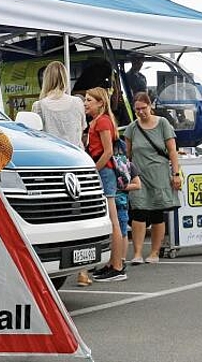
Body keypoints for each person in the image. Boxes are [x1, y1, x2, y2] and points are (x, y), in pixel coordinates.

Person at [31, 61, 91, 287]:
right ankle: (83, 270)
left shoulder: (40, 106)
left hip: (51, 169)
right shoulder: (77, 103)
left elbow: (36, 137)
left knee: (55, 220)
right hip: (78, 165)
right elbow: (82, 130)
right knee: (81, 219)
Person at [124, 92, 181, 264]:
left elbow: (172, 151)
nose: (141, 112)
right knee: (138, 213)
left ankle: (155, 252)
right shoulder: (132, 128)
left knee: (157, 213)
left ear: (150, 106)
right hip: (140, 177)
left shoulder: (163, 124)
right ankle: (137, 253)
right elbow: (128, 155)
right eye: (137, 109)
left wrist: (176, 174)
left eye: (144, 108)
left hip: (159, 175)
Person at [84, 87, 127, 282]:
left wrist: (93, 169)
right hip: (103, 171)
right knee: (111, 219)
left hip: (105, 172)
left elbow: (107, 151)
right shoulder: (98, 122)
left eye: (89, 100)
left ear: (100, 103)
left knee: (113, 219)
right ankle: (112, 262)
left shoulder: (102, 122)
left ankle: (117, 266)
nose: (85, 103)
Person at [31, 61, 86, 149]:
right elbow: (81, 128)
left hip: (52, 156)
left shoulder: (38, 106)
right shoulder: (78, 102)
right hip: (76, 155)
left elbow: (35, 136)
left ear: (46, 79)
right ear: (65, 78)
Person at [114, 152, 141, 264]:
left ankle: (121, 259)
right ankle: (119, 259)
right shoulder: (127, 164)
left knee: (122, 231)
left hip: (120, 203)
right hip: (121, 202)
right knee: (122, 231)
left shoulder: (126, 164)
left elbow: (138, 185)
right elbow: (137, 185)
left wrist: (120, 187)